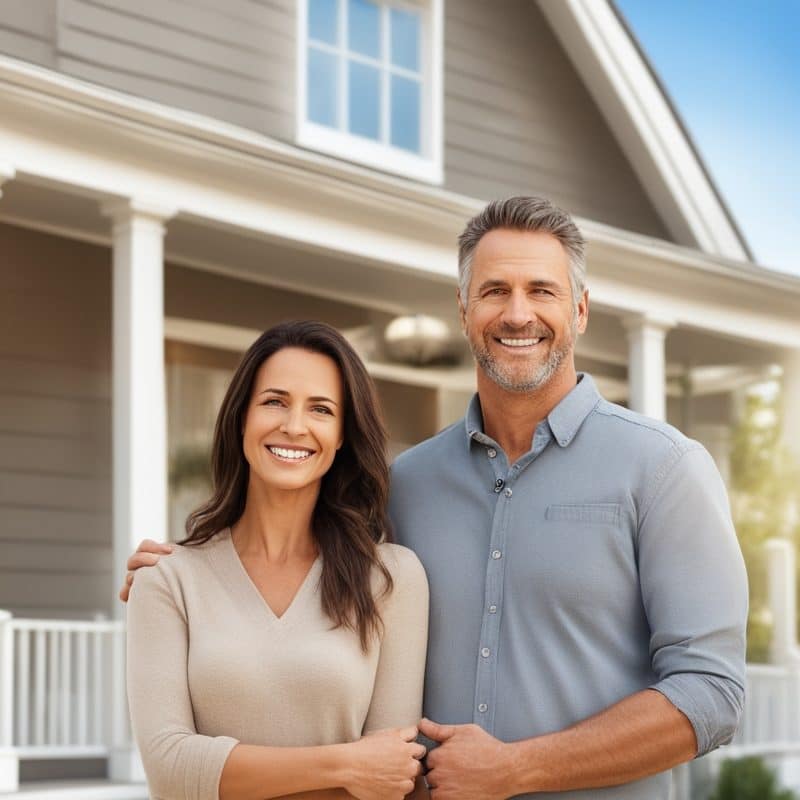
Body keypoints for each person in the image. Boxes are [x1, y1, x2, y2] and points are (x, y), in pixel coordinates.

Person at [124, 197, 748, 800]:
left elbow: (712, 693)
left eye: (543, 290)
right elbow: (299, 559)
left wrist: (516, 769)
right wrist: (190, 574)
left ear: (580, 309)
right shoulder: (407, 484)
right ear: (463, 309)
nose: (517, 313)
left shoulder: (664, 469)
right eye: (495, 291)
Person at [125, 320, 429, 800]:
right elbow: (169, 771)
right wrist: (345, 763)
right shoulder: (166, 579)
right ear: (241, 417)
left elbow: (388, 779)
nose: (294, 426)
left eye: (321, 409)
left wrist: (219, 768)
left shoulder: (391, 578)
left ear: (342, 435)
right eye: (274, 401)